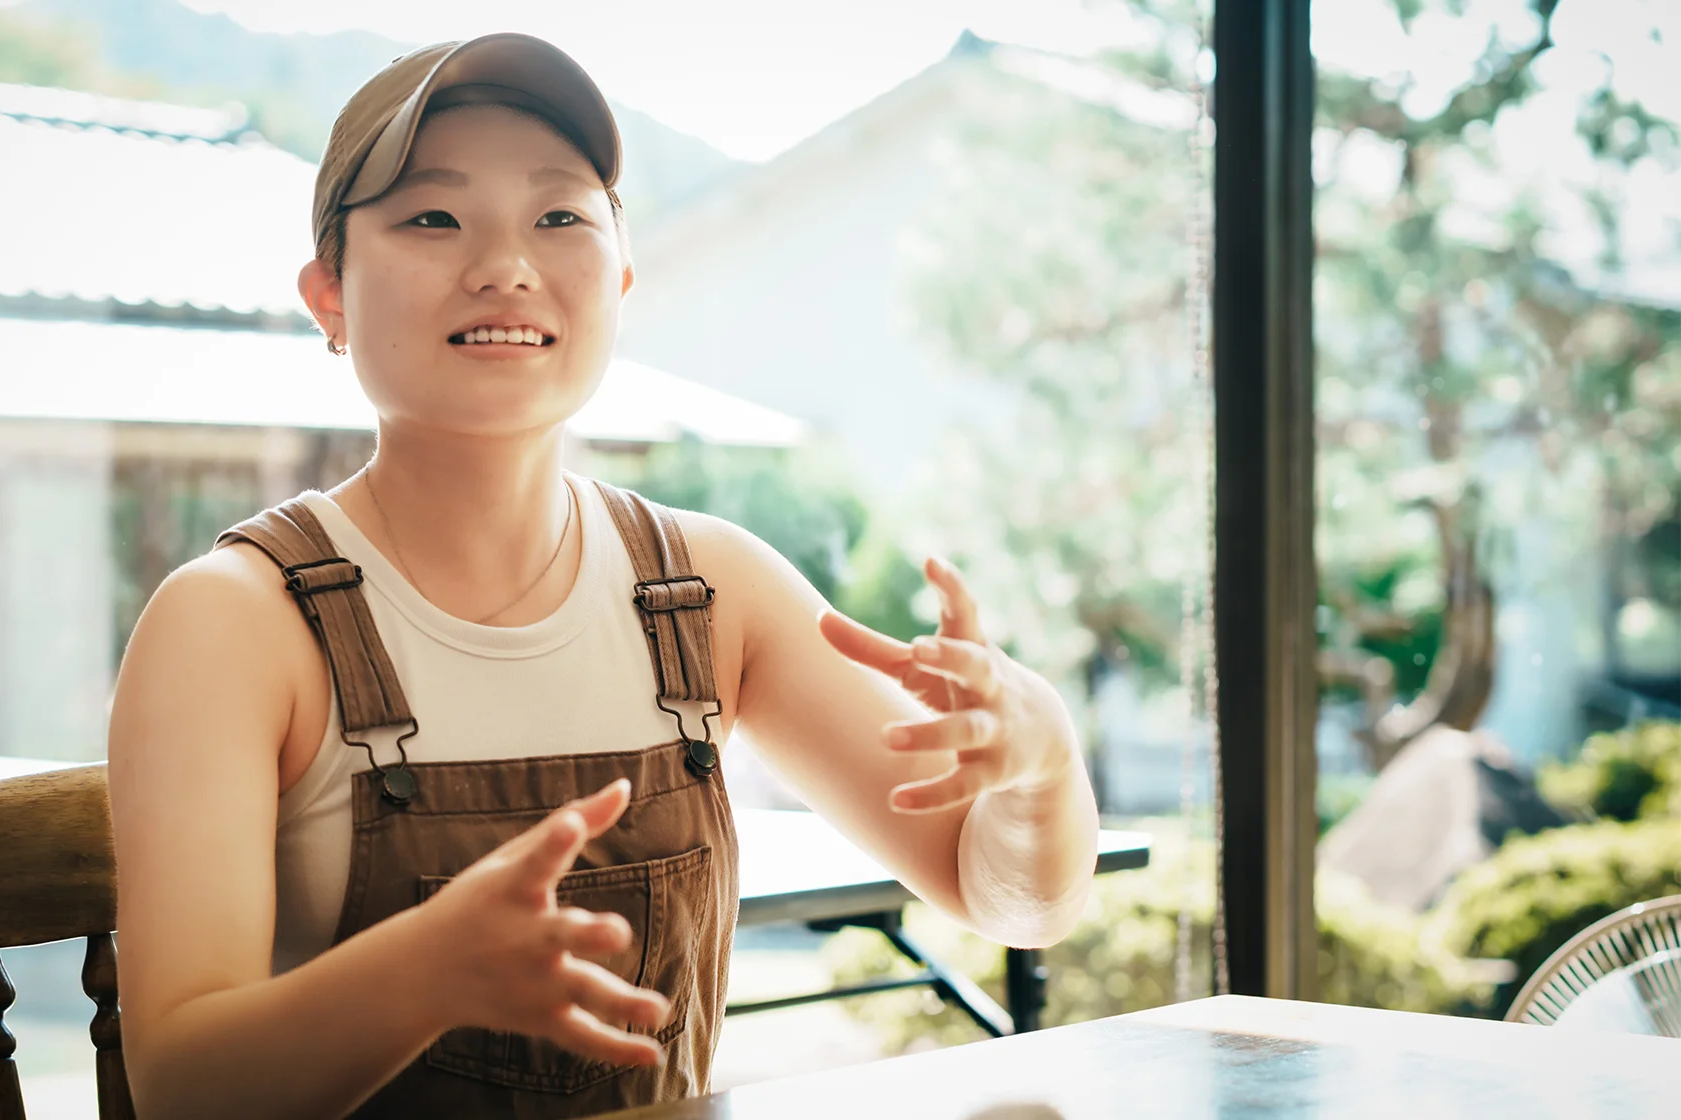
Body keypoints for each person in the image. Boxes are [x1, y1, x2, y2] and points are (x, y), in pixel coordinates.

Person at [106, 32, 1099, 1120]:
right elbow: (178, 1089)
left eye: (559, 217)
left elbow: (1004, 897)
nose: (504, 264)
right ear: (327, 295)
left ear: (620, 278)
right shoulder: (234, 624)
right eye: (432, 216)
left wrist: (1038, 764)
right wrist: (421, 972)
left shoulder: (708, 592)